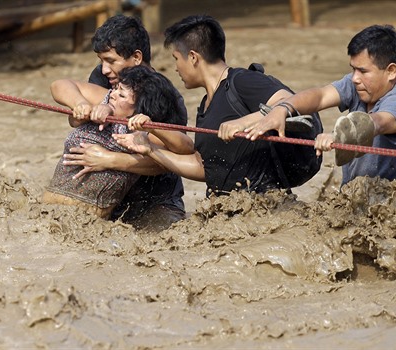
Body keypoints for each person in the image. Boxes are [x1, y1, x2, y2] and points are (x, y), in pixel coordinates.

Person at [115, 15, 308, 196]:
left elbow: (289, 101)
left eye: (176, 58)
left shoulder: (243, 81)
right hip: (227, 213)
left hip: (267, 210)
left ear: (193, 57)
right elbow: (203, 167)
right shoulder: (206, 105)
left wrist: (244, 122)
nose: (175, 67)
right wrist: (150, 149)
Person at [245, 24, 396, 185]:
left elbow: (377, 122)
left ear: (391, 71)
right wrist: (282, 109)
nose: (355, 78)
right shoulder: (359, 85)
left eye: (363, 71)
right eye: (353, 69)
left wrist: (338, 135)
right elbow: (320, 95)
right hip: (361, 197)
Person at [62, 15, 192, 230]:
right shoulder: (107, 77)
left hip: (156, 202)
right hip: (111, 198)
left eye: (111, 61)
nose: (104, 69)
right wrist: (80, 108)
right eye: (101, 60)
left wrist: (109, 159)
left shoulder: (165, 96)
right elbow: (69, 102)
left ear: (137, 57)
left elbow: (171, 160)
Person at [42, 65, 189, 220]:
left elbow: (184, 149)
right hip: (46, 213)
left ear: (138, 109)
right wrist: (80, 104)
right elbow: (58, 85)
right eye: (115, 88)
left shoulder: (140, 132)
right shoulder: (104, 100)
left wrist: (109, 159)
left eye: (122, 95)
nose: (113, 95)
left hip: (88, 224)